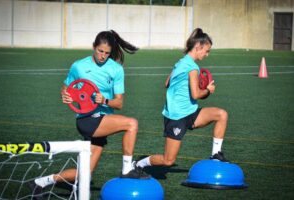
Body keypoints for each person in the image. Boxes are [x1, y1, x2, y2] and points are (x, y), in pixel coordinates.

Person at [33, 30, 149, 190]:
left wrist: (105, 100)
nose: (102, 55)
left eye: (107, 53)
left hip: (103, 120)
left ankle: (41, 182)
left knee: (84, 174)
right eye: (100, 51)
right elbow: (66, 89)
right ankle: (127, 168)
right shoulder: (78, 66)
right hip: (87, 119)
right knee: (132, 124)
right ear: (94, 47)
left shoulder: (116, 69)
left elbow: (119, 104)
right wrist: (65, 96)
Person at [135, 28, 229, 171]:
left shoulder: (180, 62)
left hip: (191, 111)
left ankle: (216, 154)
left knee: (221, 114)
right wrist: (208, 90)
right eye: (206, 50)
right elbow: (196, 95)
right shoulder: (192, 67)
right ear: (198, 48)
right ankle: (139, 163)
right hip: (176, 116)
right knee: (168, 161)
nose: (207, 54)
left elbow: (167, 83)